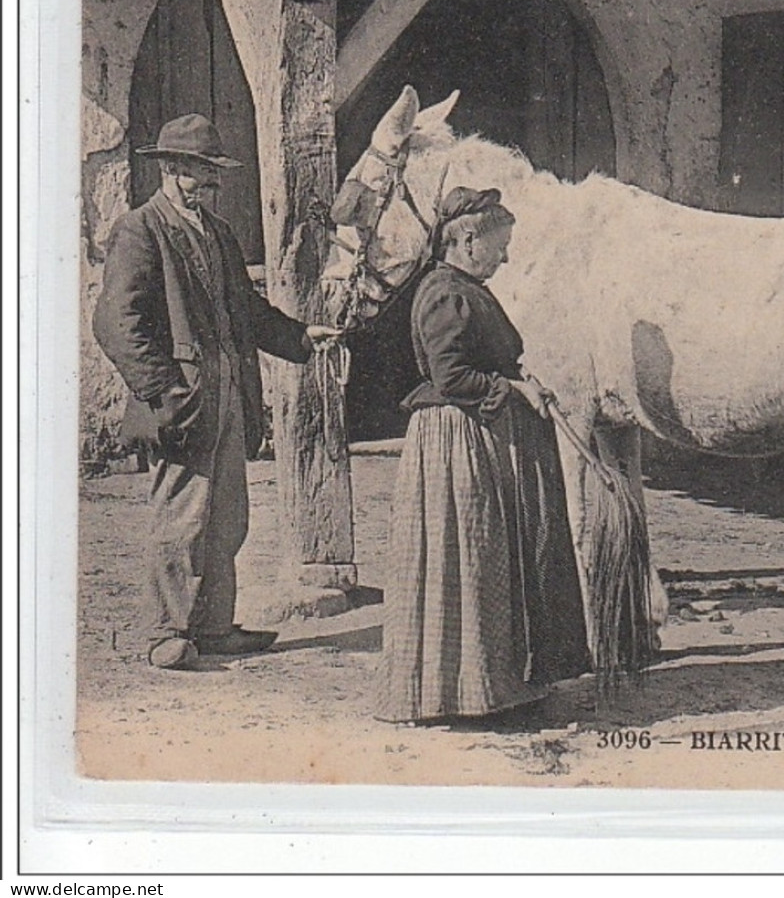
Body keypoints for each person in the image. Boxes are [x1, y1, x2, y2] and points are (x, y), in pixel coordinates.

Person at [92, 114, 341, 670]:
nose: (208, 188)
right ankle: (165, 632)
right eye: (198, 177)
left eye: (211, 178)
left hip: (229, 391)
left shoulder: (217, 233)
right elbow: (115, 322)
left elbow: (246, 311)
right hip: (183, 397)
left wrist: (299, 336)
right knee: (181, 516)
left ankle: (213, 626)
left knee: (228, 516)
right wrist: (163, 390)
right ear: (172, 171)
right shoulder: (139, 229)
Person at [375, 186, 591, 724]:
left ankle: (489, 685)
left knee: (483, 563)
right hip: (455, 443)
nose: (506, 256)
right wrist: (514, 390)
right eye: (500, 244)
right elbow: (451, 377)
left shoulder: (464, 287)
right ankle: (465, 691)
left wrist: (522, 379)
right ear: (467, 239)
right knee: (469, 560)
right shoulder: (445, 292)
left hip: (473, 437)